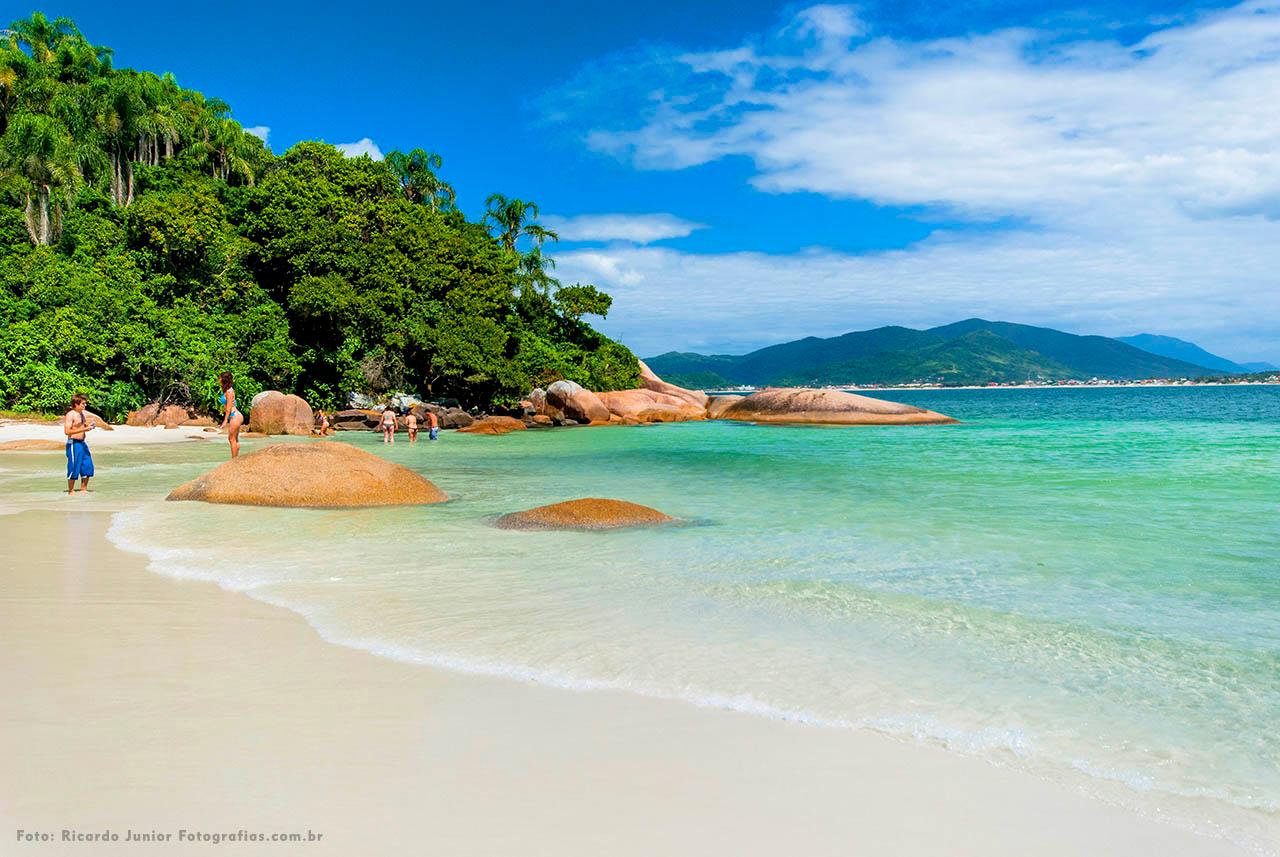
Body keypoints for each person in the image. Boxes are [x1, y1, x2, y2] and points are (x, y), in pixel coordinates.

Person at [63, 394, 96, 494]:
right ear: (76, 404)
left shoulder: (82, 414)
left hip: (82, 443)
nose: (85, 405)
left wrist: (89, 426)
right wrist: (84, 429)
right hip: (73, 444)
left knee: (88, 465)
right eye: (83, 403)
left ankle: (83, 489)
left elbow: (82, 425)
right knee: (74, 466)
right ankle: (71, 491)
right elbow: (67, 431)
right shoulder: (70, 415)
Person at [218, 371, 244, 458]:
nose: (219, 379)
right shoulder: (229, 390)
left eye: (220, 378)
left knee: (231, 439)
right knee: (234, 439)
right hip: (236, 415)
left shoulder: (229, 392)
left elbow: (229, 408)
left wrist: (225, 421)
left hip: (234, 415)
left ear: (224, 380)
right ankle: (236, 459)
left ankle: (233, 461)